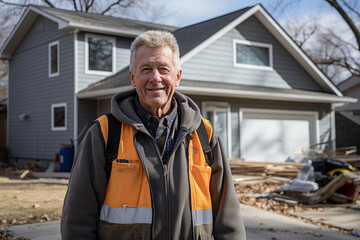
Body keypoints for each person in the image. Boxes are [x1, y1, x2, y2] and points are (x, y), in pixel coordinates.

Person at [61, 30, 246, 240]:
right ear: (133, 77)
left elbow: (228, 220)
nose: (155, 78)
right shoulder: (104, 133)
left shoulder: (205, 134)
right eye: (146, 69)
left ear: (177, 77)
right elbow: (77, 220)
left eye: (164, 69)